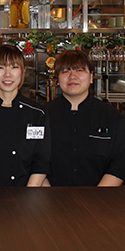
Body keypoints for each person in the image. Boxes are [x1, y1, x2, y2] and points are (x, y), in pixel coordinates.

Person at [0, 44, 51, 187]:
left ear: (23, 71)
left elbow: (41, 160)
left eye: (14, 67)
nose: (7, 74)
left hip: (24, 192)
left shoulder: (37, 114)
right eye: (0, 67)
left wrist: (29, 195)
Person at [44, 50, 125, 186]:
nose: (72, 76)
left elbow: (121, 160)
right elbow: (32, 159)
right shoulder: (42, 116)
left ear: (91, 77)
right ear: (57, 79)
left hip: (102, 199)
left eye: (79, 70)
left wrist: (98, 198)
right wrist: (50, 197)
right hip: (51, 199)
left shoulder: (112, 116)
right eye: (65, 71)